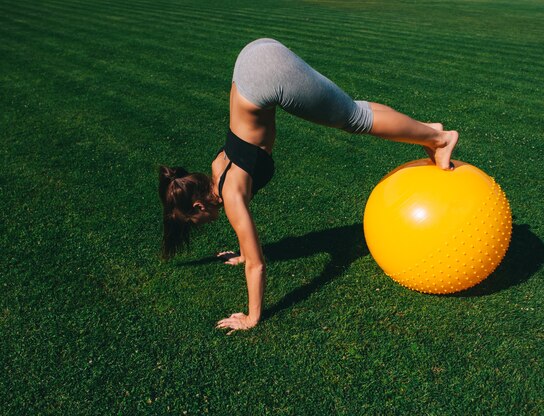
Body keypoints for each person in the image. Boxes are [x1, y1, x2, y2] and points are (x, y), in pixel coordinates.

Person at [158, 38, 458, 334]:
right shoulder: (217, 166)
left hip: (268, 74)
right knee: (351, 111)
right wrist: (242, 253)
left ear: (198, 205)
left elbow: (257, 265)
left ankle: (440, 140)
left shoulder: (232, 194)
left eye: (195, 221)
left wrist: (251, 317)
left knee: (354, 118)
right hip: (251, 62)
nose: (201, 225)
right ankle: (427, 131)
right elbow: (247, 243)